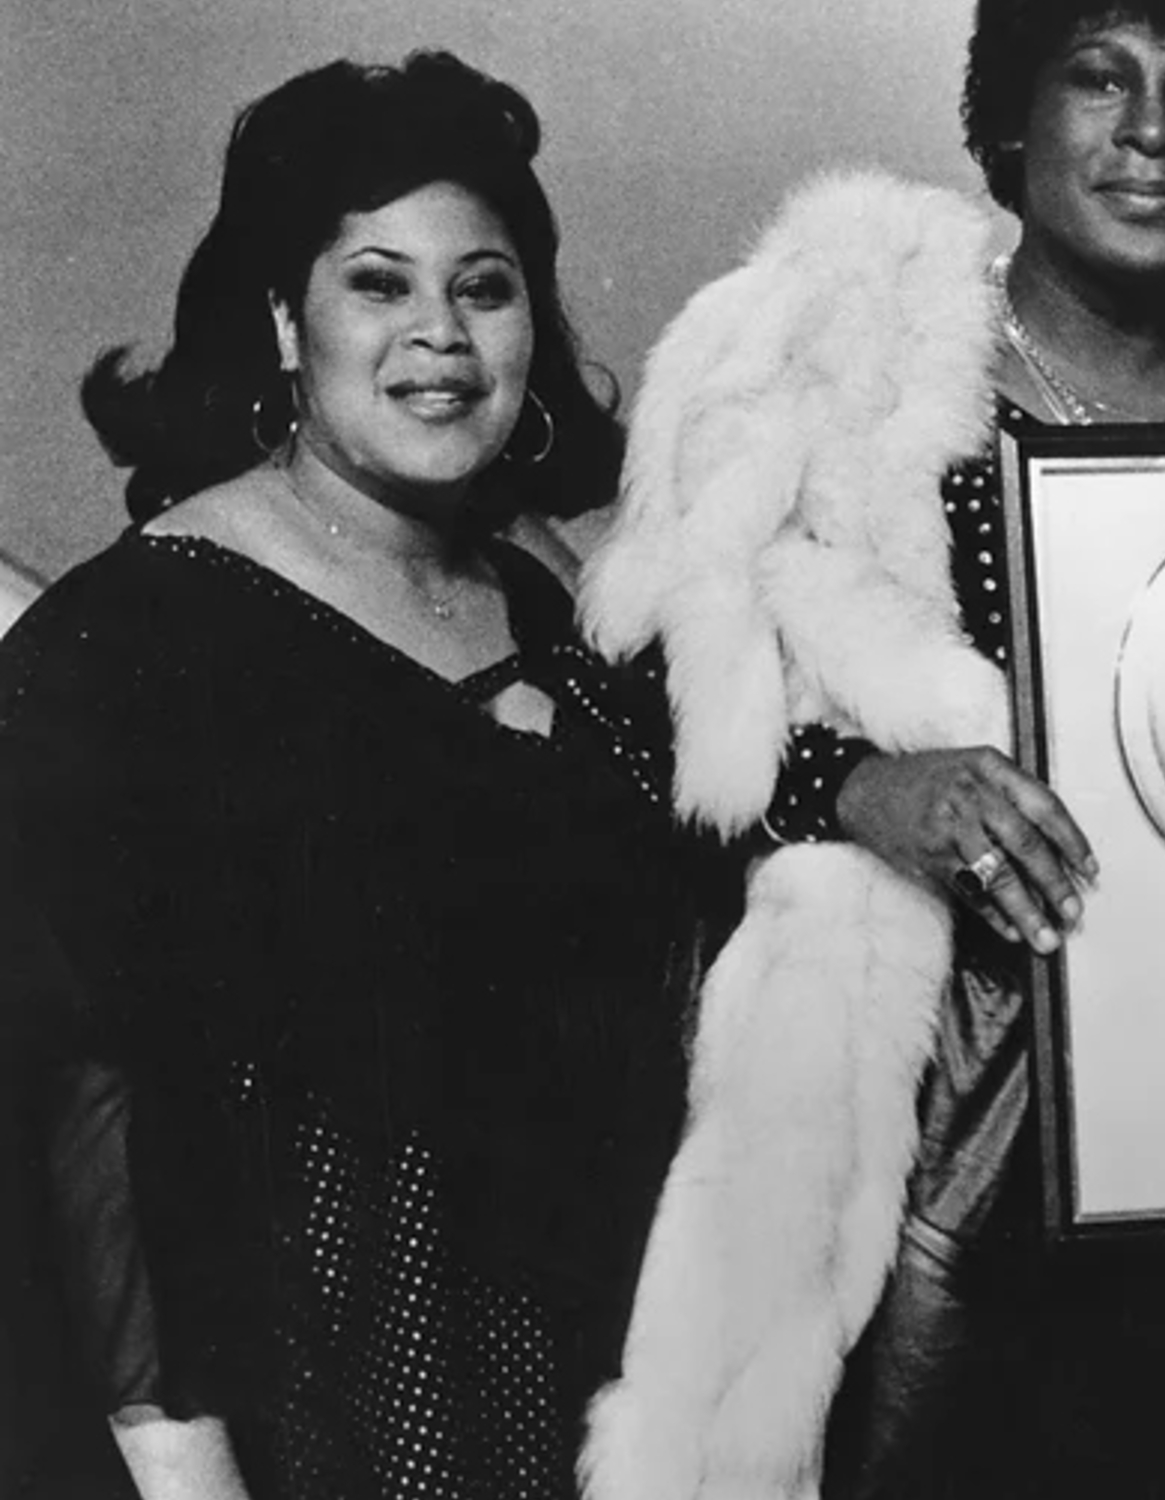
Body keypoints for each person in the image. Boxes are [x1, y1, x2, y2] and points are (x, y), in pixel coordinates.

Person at [573, 1, 1165, 1495]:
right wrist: (853, 787)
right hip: (919, 1138)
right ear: (1008, 116)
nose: (1149, 130)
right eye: (1097, 77)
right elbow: (620, 687)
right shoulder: (848, 369)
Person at [0, 51, 713, 1500]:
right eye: (378, 284)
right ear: (283, 320)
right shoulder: (133, 634)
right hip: (334, 1391)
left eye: (486, 287)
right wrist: (179, 1465)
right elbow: (84, 1100)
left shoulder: (555, 595)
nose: (439, 336)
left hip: (616, 1356)